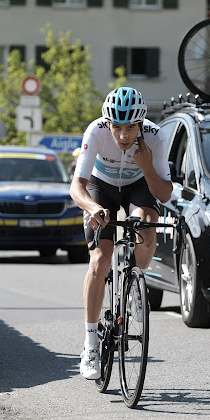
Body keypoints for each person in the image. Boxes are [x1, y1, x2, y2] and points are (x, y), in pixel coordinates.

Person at [70, 87, 172, 380]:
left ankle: (133, 288)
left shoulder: (156, 137)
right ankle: (90, 345)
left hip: (138, 185)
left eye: (130, 127)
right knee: (100, 261)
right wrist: (91, 208)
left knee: (147, 228)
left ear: (141, 124)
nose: (124, 135)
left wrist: (146, 166)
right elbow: (77, 186)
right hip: (100, 188)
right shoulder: (96, 131)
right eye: (118, 127)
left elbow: (164, 194)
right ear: (108, 124)